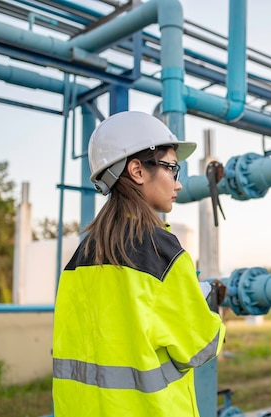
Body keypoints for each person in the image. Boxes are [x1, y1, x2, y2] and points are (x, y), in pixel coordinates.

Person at [52, 111, 226, 416]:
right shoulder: (160, 252)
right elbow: (201, 346)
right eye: (172, 168)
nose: (178, 184)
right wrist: (205, 302)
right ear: (137, 170)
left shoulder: (80, 257)